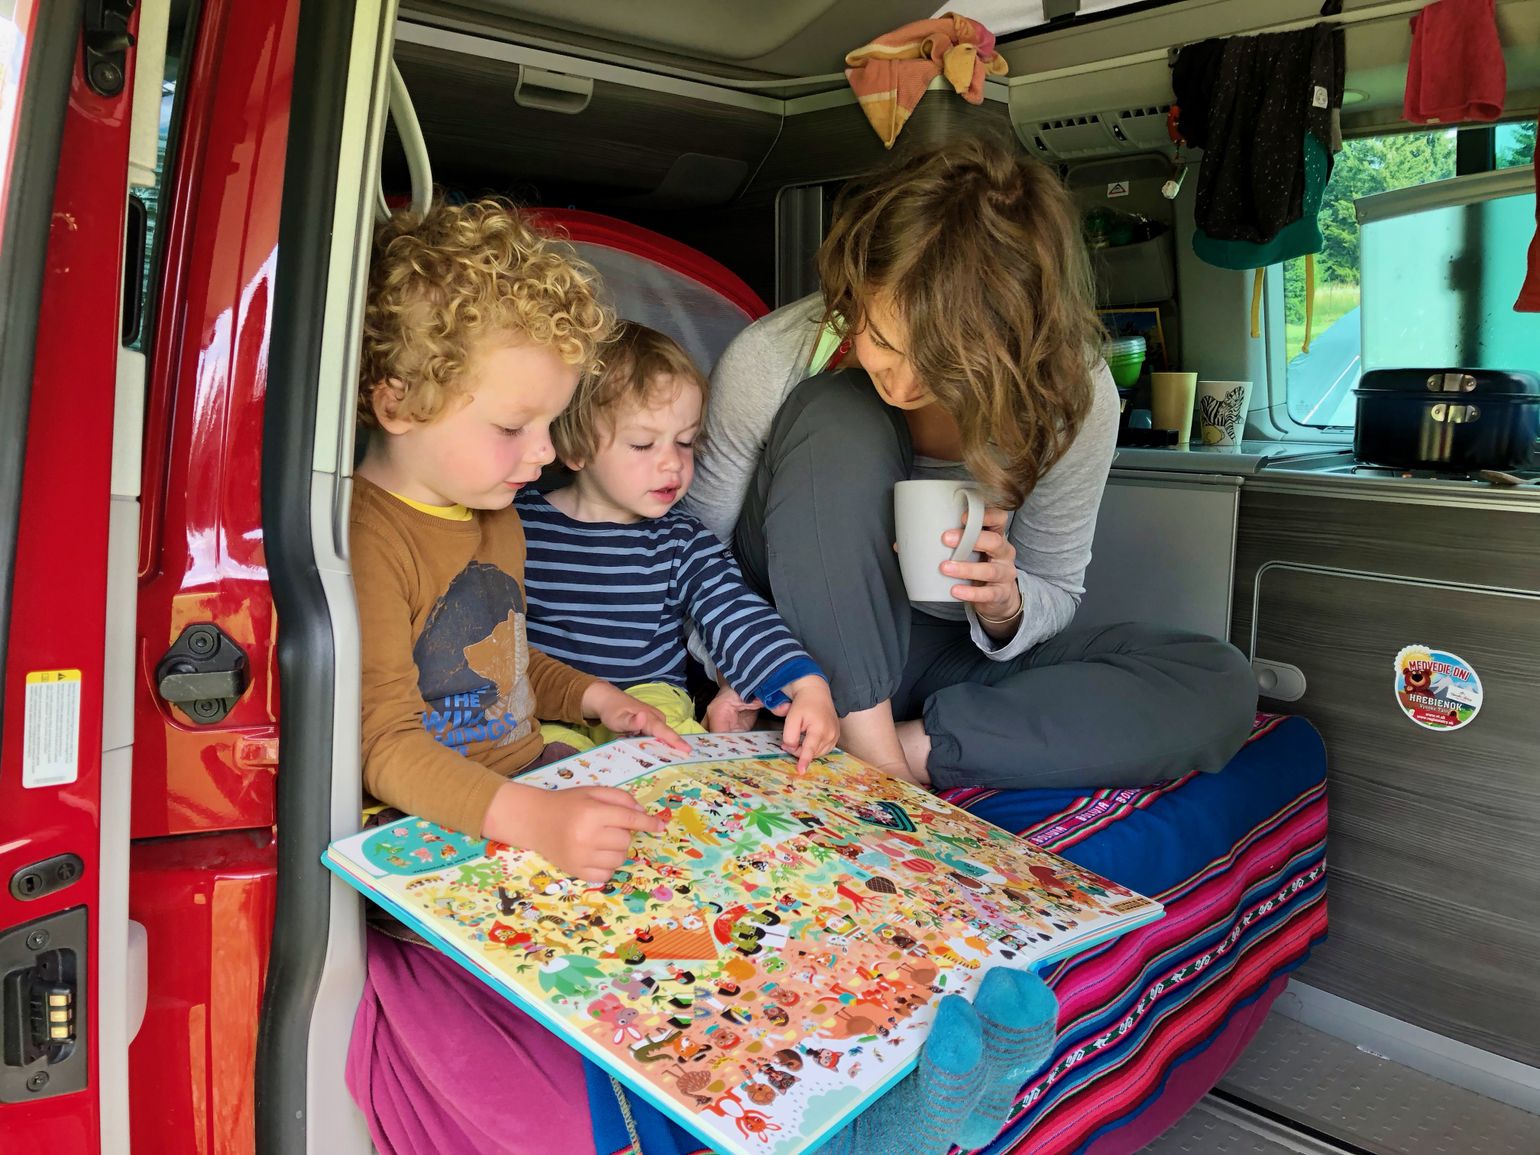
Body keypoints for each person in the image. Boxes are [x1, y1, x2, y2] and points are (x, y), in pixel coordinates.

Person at [343, 199, 1059, 1155]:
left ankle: (868, 1078)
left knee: (727, 891)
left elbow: (507, 655)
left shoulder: (493, 512)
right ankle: (852, 1136)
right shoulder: (370, 535)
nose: (543, 454)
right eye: (517, 426)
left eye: (550, 425)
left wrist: (594, 698)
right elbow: (384, 744)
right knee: (649, 951)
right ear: (397, 403)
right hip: (447, 825)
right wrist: (532, 817)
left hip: (539, 776)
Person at [685, 134, 1258, 789]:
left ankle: (905, 748)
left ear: (1010, 342)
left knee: (1216, 682)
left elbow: (1057, 587)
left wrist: (1005, 603)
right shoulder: (771, 360)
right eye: (880, 338)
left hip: (941, 657)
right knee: (841, 407)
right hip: (793, 652)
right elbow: (685, 557)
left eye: (942, 363)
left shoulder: (1072, 393)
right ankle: (874, 762)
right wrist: (752, 662)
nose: (901, 383)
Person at [517, 321, 839, 769]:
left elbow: (736, 613)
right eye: (643, 444)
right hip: (544, 701)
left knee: (672, 744)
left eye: (686, 442)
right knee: (530, 745)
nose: (672, 462)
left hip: (648, 700)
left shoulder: (682, 541)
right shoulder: (518, 524)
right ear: (575, 449)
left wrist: (806, 684)